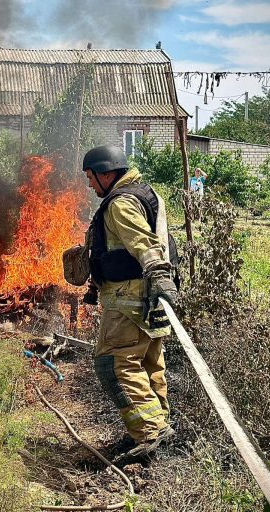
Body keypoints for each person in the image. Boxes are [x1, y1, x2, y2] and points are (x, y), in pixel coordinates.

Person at [80, 145, 178, 464]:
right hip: (151, 298)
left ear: (106, 174)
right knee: (149, 364)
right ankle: (156, 430)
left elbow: (143, 243)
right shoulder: (146, 193)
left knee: (114, 362)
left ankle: (149, 433)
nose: (90, 185)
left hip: (131, 300)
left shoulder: (121, 203)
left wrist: (158, 274)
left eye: (91, 178)